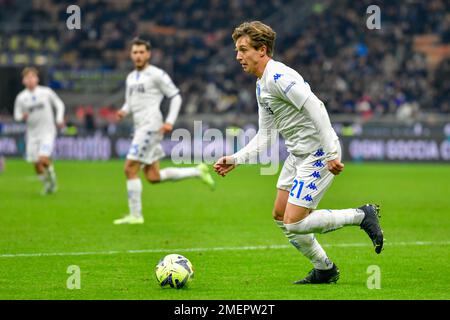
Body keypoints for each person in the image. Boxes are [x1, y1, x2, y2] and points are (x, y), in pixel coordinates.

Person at [214, 21, 383, 284]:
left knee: (294, 222)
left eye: (243, 49)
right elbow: (266, 134)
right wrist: (237, 159)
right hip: (297, 156)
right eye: (237, 50)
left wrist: (331, 152)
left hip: (316, 154)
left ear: (262, 50)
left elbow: (316, 106)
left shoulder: (279, 77)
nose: (238, 56)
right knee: (281, 216)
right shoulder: (262, 84)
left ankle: (361, 215)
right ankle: (324, 269)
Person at [114, 38, 215, 225]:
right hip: (139, 126)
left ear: (148, 54)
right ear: (131, 54)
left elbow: (175, 96)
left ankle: (135, 216)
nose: (138, 56)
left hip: (151, 126)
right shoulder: (130, 78)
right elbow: (130, 100)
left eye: (141, 52)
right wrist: (124, 111)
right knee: (153, 177)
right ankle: (197, 171)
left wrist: (169, 121)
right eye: (135, 52)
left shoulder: (157, 74)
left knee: (129, 168)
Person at [14, 67, 65, 195]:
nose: (30, 80)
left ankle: (52, 179)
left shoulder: (46, 92)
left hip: (47, 132)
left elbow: (59, 104)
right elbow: (17, 115)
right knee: (36, 164)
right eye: (27, 77)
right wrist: (21, 117)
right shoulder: (21, 98)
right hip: (32, 135)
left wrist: (59, 118)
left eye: (32, 77)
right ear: (23, 81)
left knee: (43, 159)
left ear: (37, 79)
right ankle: (47, 184)